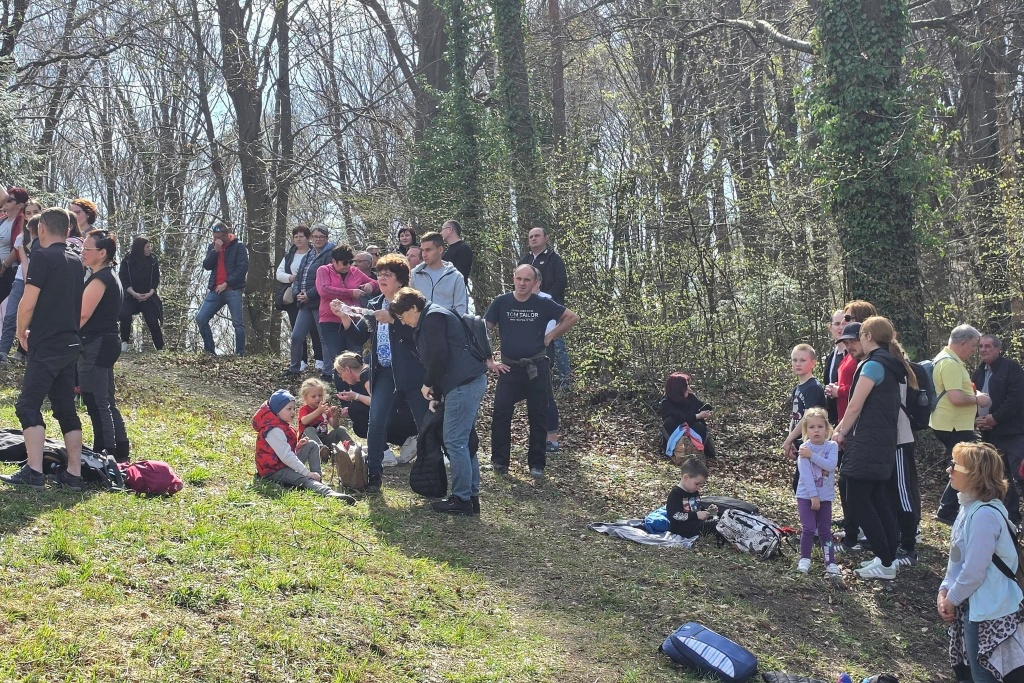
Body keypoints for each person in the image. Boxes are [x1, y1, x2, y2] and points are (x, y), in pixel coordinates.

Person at [0, 208, 86, 491]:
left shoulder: (42, 257)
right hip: (70, 343)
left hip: (46, 343)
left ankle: (34, 472)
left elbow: (28, 301)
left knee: (27, 405)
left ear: (43, 230)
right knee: (64, 408)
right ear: (69, 231)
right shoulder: (76, 260)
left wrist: (20, 333)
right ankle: (74, 473)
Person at [391, 287, 488, 514]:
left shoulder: (433, 317)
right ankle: (470, 498)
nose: (404, 323)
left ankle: (462, 499)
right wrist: (438, 393)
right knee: (464, 441)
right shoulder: (435, 314)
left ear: (414, 308)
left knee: (455, 441)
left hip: (464, 384)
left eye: (403, 316)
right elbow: (445, 357)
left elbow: (439, 355)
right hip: (464, 383)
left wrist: (428, 384)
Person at [834, 316, 917, 580]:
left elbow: (855, 405)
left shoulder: (873, 366)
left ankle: (885, 559)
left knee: (856, 500)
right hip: (882, 444)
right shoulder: (889, 364)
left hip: (868, 443)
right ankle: (887, 559)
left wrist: (839, 432)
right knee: (879, 500)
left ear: (868, 336)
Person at [338, 254, 429, 492]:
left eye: (387, 274)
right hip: (384, 373)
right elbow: (360, 337)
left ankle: (431, 472)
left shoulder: (413, 303)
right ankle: (374, 476)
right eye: (379, 274)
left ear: (400, 280)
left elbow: (418, 337)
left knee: (425, 424)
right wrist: (345, 318)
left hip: (411, 373)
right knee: (376, 422)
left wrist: (394, 320)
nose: (381, 278)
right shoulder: (374, 303)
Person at [938, 442, 1024, 683]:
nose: (949, 469)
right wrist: (943, 590)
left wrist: (951, 600)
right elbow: (957, 560)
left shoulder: (985, 514)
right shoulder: (968, 508)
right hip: (973, 605)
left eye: (955, 465)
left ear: (974, 475)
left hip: (990, 611)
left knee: (983, 676)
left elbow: (975, 569)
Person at [485, 264, 578, 479]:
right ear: (513, 278)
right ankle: (499, 462)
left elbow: (572, 317)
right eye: (519, 279)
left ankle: (537, 465)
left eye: (527, 280)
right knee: (501, 413)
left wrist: (551, 335)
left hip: (537, 367)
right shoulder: (501, 302)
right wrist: (489, 360)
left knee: (538, 416)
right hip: (509, 367)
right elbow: (484, 329)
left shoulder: (543, 303)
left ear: (535, 282)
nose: (522, 283)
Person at [79, 230, 130, 461]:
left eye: (87, 249)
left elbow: (82, 315)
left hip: (98, 343)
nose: (83, 252)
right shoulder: (107, 275)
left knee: (96, 398)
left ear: (102, 253)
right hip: (105, 342)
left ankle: (106, 449)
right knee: (105, 398)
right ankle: (120, 446)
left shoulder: (101, 278)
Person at [252, 389, 355, 502]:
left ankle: (317, 479)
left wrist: (296, 447)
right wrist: (307, 473)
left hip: (282, 464)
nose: (293, 412)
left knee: (312, 445)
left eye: (293, 408)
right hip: (274, 471)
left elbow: (281, 451)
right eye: (289, 409)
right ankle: (329, 493)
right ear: (277, 412)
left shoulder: (280, 424)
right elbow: (286, 456)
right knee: (305, 479)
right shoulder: (273, 430)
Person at [933, 324, 990, 525]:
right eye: (974, 346)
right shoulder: (950, 363)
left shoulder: (947, 359)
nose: (975, 350)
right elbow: (956, 397)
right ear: (963, 343)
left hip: (953, 422)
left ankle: (949, 508)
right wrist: (978, 399)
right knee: (964, 466)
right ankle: (947, 510)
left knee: (961, 465)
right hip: (953, 425)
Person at [974, 334, 1024, 526]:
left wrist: (995, 418)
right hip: (989, 434)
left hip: (1012, 433)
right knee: (999, 477)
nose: (983, 350)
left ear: (998, 349)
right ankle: (1012, 518)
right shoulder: (978, 373)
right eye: (980, 347)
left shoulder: (1011, 369)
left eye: (988, 346)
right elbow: (973, 398)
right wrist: (977, 421)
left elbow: (1016, 398)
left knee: (1020, 474)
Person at [334, 352, 418, 462]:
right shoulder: (366, 374)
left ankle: (384, 452)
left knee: (355, 410)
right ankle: (405, 442)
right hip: (404, 415)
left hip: (404, 415)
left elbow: (377, 402)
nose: (342, 379)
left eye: (341, 374)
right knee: (359, 427)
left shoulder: (366, 374)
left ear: (347, 369)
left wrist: (356, 396)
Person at [315, 244, 378, 386]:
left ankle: (359, 396)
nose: (348, 266)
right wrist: (351, 292)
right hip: (330, 321)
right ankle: (344, 398)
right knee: (339, 361)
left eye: (351, 262)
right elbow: (324, 290)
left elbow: (376, 283)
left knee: (355, 359)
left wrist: (371, 286)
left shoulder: (355, 272)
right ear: (334, 261)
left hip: (353, 322)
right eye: (344, 263)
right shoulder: (323, 270)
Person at [518, 226, 570, 391]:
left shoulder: (554, 259)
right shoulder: (524, 260)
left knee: (558, 344)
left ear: (545, 238)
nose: (533, 239)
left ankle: (564, 383)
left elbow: (561, 282)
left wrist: (544, 300)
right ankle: (532, 381)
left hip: (552, 309)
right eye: (530, 236)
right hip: (527, 310)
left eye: (537, 236)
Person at [794, 407, 839, 575]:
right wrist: (813, 496)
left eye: (820, 426)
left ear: (826, 428)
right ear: (806, 430)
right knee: (808, 527)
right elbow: (805, 475)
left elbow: (830, 465)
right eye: (812, 427)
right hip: (807, 496)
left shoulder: (832, 446)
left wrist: (812, 455)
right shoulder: (803, 449)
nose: (816, 430)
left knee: (825, 529)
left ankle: (830, 561)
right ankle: (805, 559)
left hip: (825, 497)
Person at [287, 224, 333, 377]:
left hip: (320, 303)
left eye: (321, 237)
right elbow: (299, 276)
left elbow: (325, 281)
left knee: (324, 338)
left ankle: (328, 372)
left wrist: (309, 294)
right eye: (315, 236)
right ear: (312, 238)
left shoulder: (330, 255)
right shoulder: (309, 254)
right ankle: (294, 368)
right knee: (296, 336)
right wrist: (297, 293)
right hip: (304, 303)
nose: (318, 239)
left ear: (326, 238)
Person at [196, 221, 249, 356]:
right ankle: (209, 350)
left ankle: (240, 354)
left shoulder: (238, 247)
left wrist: (226, 283)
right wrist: (215, 251)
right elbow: (207, 265)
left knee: (238, 323)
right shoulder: (213, 247)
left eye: (218, 238)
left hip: (232, 289)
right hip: (215, 290)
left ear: (226, 235)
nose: (216, 240)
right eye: (214, 238)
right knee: (201, 318)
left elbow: (242, 268)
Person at [276, 225, 322, 372]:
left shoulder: (314, 254)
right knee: (296, 329)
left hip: (313, 296)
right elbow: (279, 273)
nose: (298, 239)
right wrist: (292, 278)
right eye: (296, 237)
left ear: (308, 238)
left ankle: (319, 359)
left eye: (301, 236)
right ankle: (301, 361)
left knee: (315, 329)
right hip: (294, 296)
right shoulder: (290, 255)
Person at [825, 300, 878, 419]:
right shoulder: (852, 353)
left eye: (847, 318)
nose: (843, 322)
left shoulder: (869, 354)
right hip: (844, 419)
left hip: (861, 421)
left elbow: (867, 390)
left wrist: (839, 391)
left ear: (861, 320)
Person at [0, 214, 37, 363]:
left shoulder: (48, 238)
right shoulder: (21, 238)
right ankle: (3, 352)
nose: (32, 215)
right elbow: (24, 262)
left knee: (34, 317)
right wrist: (29, 281)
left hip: (41, 281)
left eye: (35, 211)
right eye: (28, 212)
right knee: (10, 314)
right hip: (22, 279)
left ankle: (27, 352)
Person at [118, 236, 164, 352]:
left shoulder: (153, 261)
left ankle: (160, 348)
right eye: (147, 247)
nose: (150, 249)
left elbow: (155, 279)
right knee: (125, 315)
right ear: (140, 248)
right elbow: (123, 279)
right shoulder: (127, 261)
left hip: (148, 296)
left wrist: (150, 292)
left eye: (150, 246)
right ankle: (124, 343)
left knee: (153, 320)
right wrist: (133, 293)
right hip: (131, 295)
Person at [782, 343, 827, 459]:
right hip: (799, 442)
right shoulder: (796, 389)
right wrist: (791, 439)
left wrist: (789, 439)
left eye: (802, 360)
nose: (797, 364)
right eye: (794, 360)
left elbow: (806, 417)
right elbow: (795, 416)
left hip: (812, 445)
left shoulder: (813, 387)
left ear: (813, 363)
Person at [661, 372, 716, 462]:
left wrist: (703, 413)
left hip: (694, 432)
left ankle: (700, 450)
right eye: (685, 386)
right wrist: (698, 416)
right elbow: (679, 418)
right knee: (670, 422)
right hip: (676, 435)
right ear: (678, 389)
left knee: (699, 426)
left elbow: (698, 410)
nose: (688, 389)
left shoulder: (691, 398)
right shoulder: (666, 403)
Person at [410, 231, 468, 314]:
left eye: (428, 250)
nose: (424, 254)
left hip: (447, 324)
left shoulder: (456, 277)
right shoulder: (414, 274)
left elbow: (461, 309)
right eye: (422, 250)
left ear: (440, 249)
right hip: (420, 325)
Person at [665, 457, 716, 538]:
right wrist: (696, 515)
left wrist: (707, 512)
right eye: (697, 484)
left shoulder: (694, 492)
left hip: (696, 524)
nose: (698, 487)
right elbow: (675, 515)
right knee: (714, 524)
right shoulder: (676, 494)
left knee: (718, 519)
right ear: (686, 478)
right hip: (681, 528)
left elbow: (697, 508)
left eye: (700, 485)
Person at [297, 377, 351, 450]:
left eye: (320, 395)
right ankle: (320, 449)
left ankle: (353, 448)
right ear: (305, 397)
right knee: (309, 429)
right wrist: (318, 411)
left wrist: (335, 416)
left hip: (324, 441)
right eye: (313, 396)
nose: (318, 398)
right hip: (307, 443)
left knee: (341, 429)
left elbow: (335, 426)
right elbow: (304, 421)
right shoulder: (304, 409)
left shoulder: (325, 409)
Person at [0, 186, 29, 305]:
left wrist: (4, 265)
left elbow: (18, 245)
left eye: (9, 200)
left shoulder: (21, 220)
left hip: (8, 271)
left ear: (20, 205)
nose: (6, 202)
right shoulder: (2, 219)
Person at [823, 310, 847, 425]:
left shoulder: (853, 355)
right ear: (830, 327)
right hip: (833, 417)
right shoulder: (830, 357)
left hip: (848, 416)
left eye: (844, 324)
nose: (841, 328)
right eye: (837, 324)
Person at [441, 219, 473, 285]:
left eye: (442, 229)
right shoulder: (448, 250)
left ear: (450, 230)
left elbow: (461, 275)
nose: (441, 233)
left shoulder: (463, 249)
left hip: (456, 291)